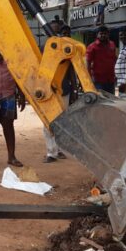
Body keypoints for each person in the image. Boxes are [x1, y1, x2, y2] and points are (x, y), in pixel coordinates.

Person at [42, 19, 70, 163]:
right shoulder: (43, 49)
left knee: (61, 122)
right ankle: (51, 152)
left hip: (64, 90)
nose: (54, 34)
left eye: (56, 31)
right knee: (47, 122)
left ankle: (58, 150)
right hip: (48, 92)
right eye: (51, 31)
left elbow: (71, 69)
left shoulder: (65, 47)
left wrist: (75, 88)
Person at [86, 25, 117, 94]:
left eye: (105, 33)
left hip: (111, 79)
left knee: (111, 100)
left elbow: (114, 60)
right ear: (97, 35)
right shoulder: (92, 47)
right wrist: (89, 78)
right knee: (100, 101)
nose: (103, 35)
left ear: (108, 34)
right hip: (98, 81)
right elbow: (87, 63)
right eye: (101, 33)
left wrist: (116, 75)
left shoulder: (112, 44)